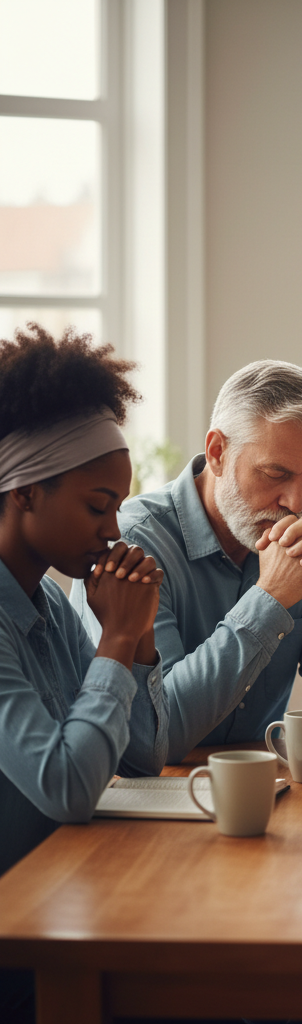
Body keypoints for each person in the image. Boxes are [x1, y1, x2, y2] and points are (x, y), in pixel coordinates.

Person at [72, 360, 302, 763]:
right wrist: (270, 599)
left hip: (261, 789)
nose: (296, 503)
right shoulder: (132, 544)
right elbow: (158, 737)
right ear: (217, 452)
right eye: (275, 473)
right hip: (149, 798)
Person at [0, 324, 167, 1023]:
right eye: (98, 506)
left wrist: (142, 641)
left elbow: (146, 754)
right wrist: (117, 638)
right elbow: (66, 788)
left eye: (118, 507)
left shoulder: (52, 603)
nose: (113, 530)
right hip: (20, 946)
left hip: (64, 900)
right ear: (25, 493)